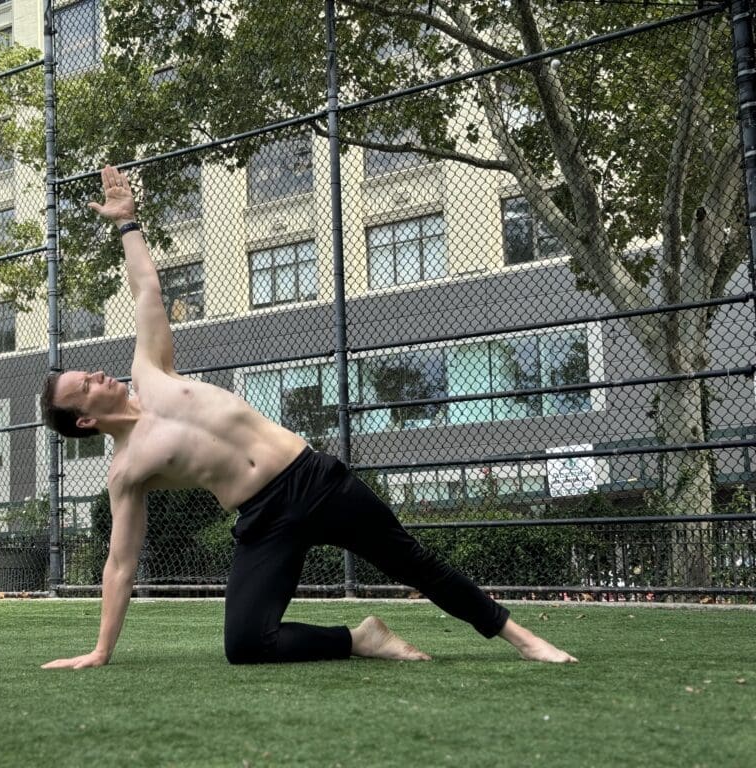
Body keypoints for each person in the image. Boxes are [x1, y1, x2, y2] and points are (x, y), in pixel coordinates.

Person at [40, 166, 577, 669]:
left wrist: (129, 223)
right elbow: (120, 563)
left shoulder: (151, 371)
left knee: (413, 562)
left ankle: (523, 639)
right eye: (83, 387)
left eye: (87, 373)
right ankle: (360, 638)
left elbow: (146, 290)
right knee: (246, 645)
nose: (95, 376)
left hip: (312, 478)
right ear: (84, 420)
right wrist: (101, 650)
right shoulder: (127, 469)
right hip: (263, 518)